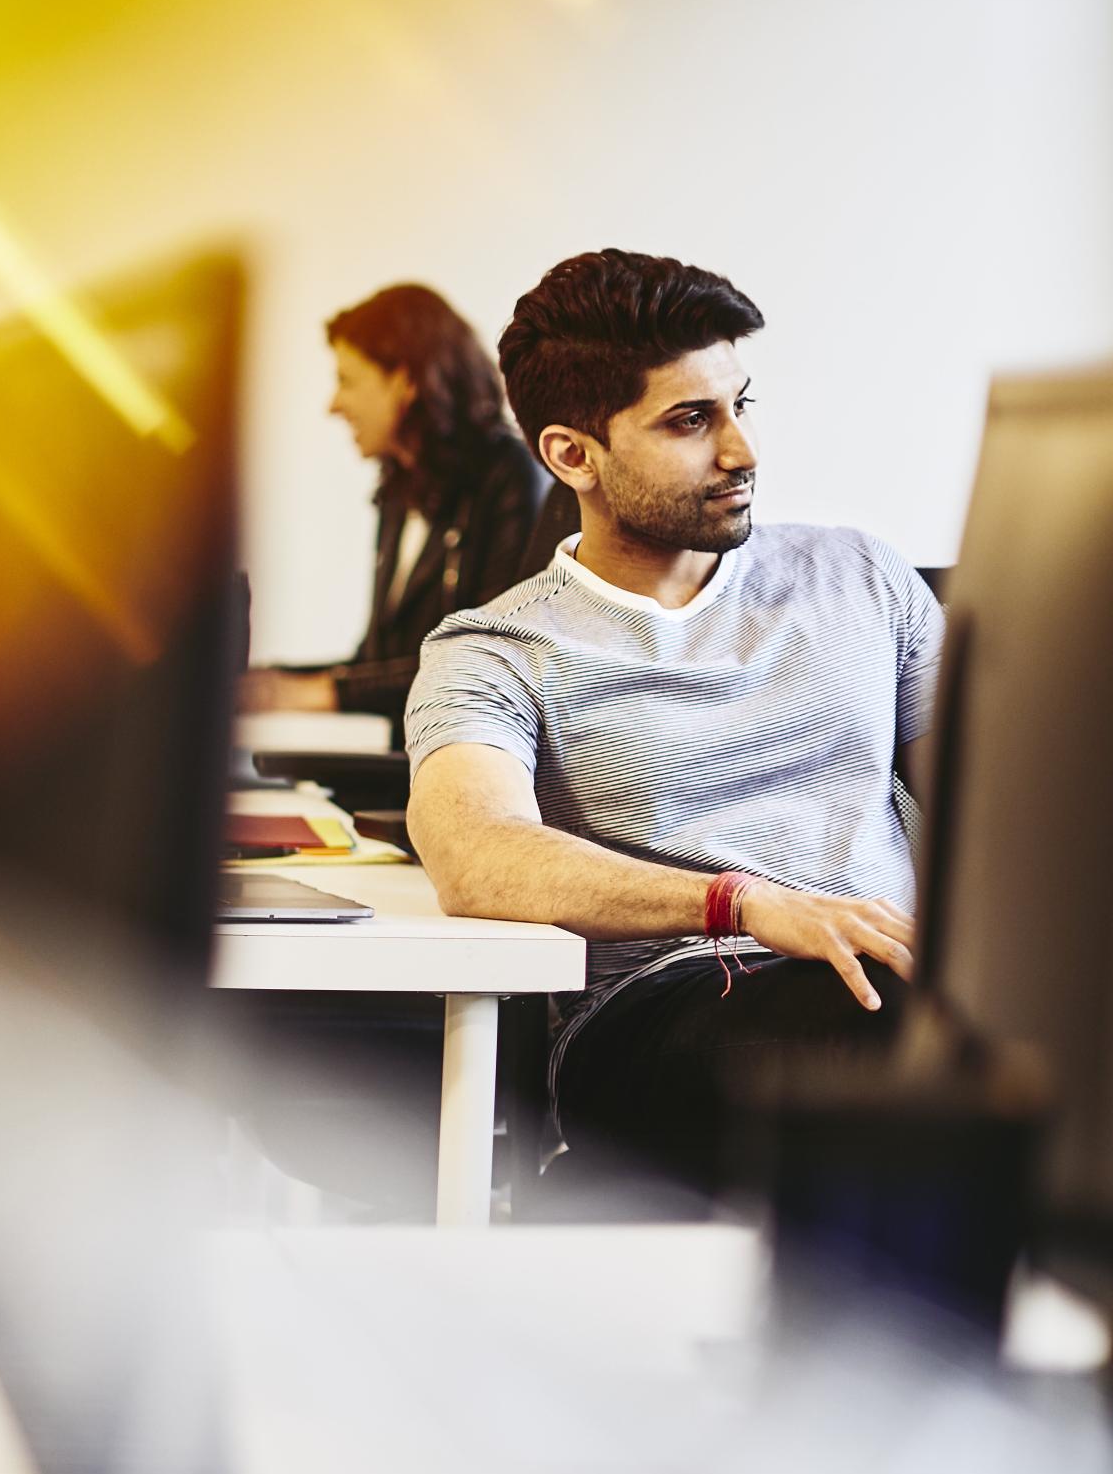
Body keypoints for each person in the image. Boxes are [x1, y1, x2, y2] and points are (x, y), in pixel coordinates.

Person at [403, 250, 939, 1189]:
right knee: (885, 1036)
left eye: (742, 403)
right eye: (692, 421)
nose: (743, 450)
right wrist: (744, 903)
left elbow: (1003, 804)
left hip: (899, 977)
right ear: (573, 454)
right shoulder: (493, 651)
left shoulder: (863, 578)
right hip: (668, 1008)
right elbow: (474, 851)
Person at [243, 283, 564, 735]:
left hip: (468, 769)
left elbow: (490, 658)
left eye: (348, 381)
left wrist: (312, 692)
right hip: (405, 768)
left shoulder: (508, 476)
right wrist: (270, 683)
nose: (334, 405)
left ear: (405, 380)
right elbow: (378, 663)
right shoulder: (398, 493)